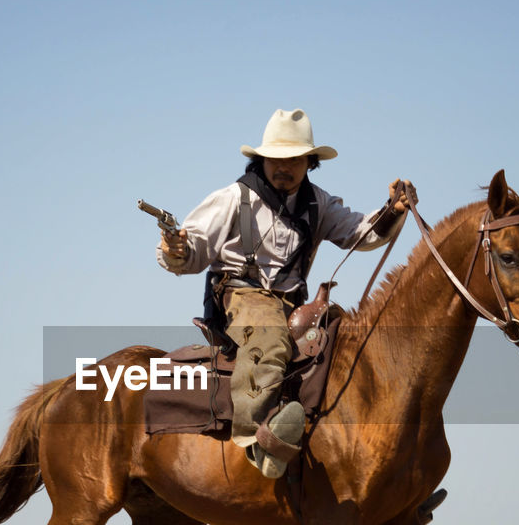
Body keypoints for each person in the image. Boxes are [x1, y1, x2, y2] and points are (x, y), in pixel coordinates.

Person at [157, 108, 416, 478]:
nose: (284, 167)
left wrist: (393, 210)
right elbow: (193, 248)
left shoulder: (319, 203)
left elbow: (359, 233)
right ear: (260, 159)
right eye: (275, 159)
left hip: (295, 304)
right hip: (240, 297)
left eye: (294, 159)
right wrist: (176, 250)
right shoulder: (233, 198)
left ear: (310, 163)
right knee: (271, 340)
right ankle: (256, 442)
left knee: (348, 345)